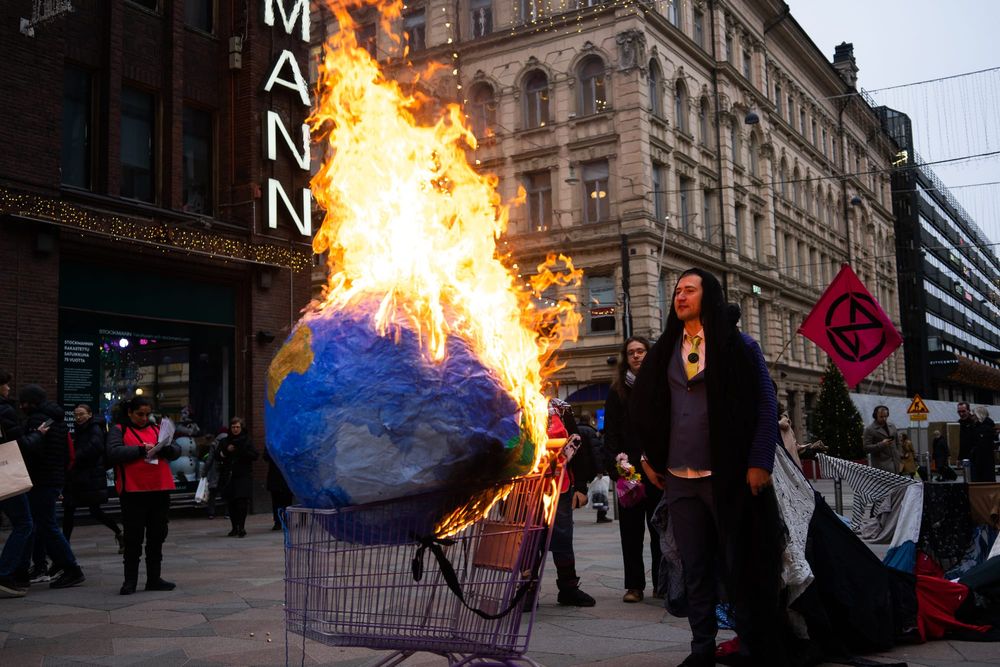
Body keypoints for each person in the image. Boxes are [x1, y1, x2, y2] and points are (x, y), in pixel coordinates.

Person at [629, 268, 783, 666]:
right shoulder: (664, 350)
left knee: (739, 564)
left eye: (689, 290)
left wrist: (758, 462)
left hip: (729, 478)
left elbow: (767, 405)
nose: (680, 296)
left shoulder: (739, 347)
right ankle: (701, 648)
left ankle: (751, 645)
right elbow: (643, 409)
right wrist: (648, 458)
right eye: (677, 291)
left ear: (708, 296)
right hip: (679, 480)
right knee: (694, 567)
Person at [603, 335, 663, 604]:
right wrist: (618, 467)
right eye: (631, 353)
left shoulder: (662, 387)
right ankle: (634, 586)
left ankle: (662, 583)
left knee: (660, 530)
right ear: (625, 359)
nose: (637, 356)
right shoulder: (617, 392)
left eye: (641, 351)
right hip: (630, 474)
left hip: (658, 471)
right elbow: (611, 435)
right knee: (631, 532)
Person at [106, 396, 180, 595]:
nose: (144, 418)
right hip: (133, 492)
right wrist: (140, 450)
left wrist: (167, 449)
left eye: (147, 414)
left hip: (160, 489)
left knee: (157, 536)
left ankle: (154, 579)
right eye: (140, 414)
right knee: (133, 538)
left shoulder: (157, 429)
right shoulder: (119, 430)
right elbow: (113, 452)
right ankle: (130, 581)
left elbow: (176, 449)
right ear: (130, 413)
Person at [15, 384, 86, 589]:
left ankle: (70, 567)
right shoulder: (58, 421)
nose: (22, 406)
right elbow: (64, 453)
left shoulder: (38, 420)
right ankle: (49, 565)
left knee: (45, 525)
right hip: (53, 478)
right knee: (42, 524)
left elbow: (33, 451)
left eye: (24, 402)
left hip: (40, 479)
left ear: (31, 402)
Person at [546, 398, 597, 606]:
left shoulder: (560, 408)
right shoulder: (514, 399)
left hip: (560, 485)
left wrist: (582, 487)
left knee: (562, 536)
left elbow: (578, 447)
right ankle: (526, 588)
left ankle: (568, 587)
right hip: (526, 487)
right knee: (528, 539)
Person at [63, 404, 123, 552]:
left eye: (81, 414)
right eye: (76, 414)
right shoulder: (84, 428)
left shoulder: (94, 428)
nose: (78, 417)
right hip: (82, 475)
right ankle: (64, 545)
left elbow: (95, 447)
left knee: (91, 510)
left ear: (89, 414)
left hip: (89, 476)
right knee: (71, 509)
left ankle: (120, 533)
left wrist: (74, 457)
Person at [0, 371, 33, 597]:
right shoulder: (4, 410)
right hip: (5, 473)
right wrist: (36, 436)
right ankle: (4, 573)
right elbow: (16, 443)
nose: (8, 388)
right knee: (24, 523)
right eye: (5, 384)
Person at [216, 416, 258, 537]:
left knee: (242, 502)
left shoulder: (247, 440)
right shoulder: (225, 441)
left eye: (237, 427)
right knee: (232, 503)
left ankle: (241, 527)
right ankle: (234, 527)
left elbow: (255, 456)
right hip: (229, 476)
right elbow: (217, 456)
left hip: (243, 476)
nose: (235, 429)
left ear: (241, 428)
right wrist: (226, 451)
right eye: (233, 427)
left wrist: (242, 450)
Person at [863, 405, 901, 474]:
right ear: (875, 416)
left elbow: (897, 443)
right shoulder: (869, 429)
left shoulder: (892, 426)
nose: (884, 419)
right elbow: (866, 448)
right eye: (881, 416)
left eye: (886, 416)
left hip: (896, 464)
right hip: (881, 467)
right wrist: (881, 444)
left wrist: (898, 455)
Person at [263, 447, 293, 531]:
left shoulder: (287, 443)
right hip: (275, 475)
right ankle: (278, 521)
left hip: (286, 476)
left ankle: (286, 520)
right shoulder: (271, 443)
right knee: (276, 500)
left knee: (287, 500)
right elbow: (265, 456)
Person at [970, 406, 997, 482]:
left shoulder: (985, 429)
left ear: (979, 415)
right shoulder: (979, 427)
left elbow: (982, 448)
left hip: (983, 464)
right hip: (981, 462)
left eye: (974, 415)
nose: (972, 418)